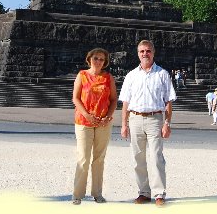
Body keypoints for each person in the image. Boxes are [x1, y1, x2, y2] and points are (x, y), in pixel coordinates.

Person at [119, 39, 176, 207]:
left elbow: (168, 102)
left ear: (153, 52)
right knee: (138, 158)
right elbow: (126, 103)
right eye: (142, 51)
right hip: (135, 119)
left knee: (157, 157)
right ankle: (143, 192)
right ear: (138, 53)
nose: (145, 54)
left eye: (148, 51)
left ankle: (159, 193)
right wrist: (124, 124)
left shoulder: (163, 74)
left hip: (155, 119)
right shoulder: (131, 75)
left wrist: (167, 124)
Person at [72, 48, 117, 205]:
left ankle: (97, 193)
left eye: (102, 60)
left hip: (103, 122)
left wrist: (108, 117)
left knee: (99, 159)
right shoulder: (82, 75)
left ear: (105, 62)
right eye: (96, 58)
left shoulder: (108, 77)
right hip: (84, 121)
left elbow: (113, 100)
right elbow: (76, 98)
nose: (98, 61)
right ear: (89, 59)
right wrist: (87, 115)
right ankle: (77, 194)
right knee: (83, 158)